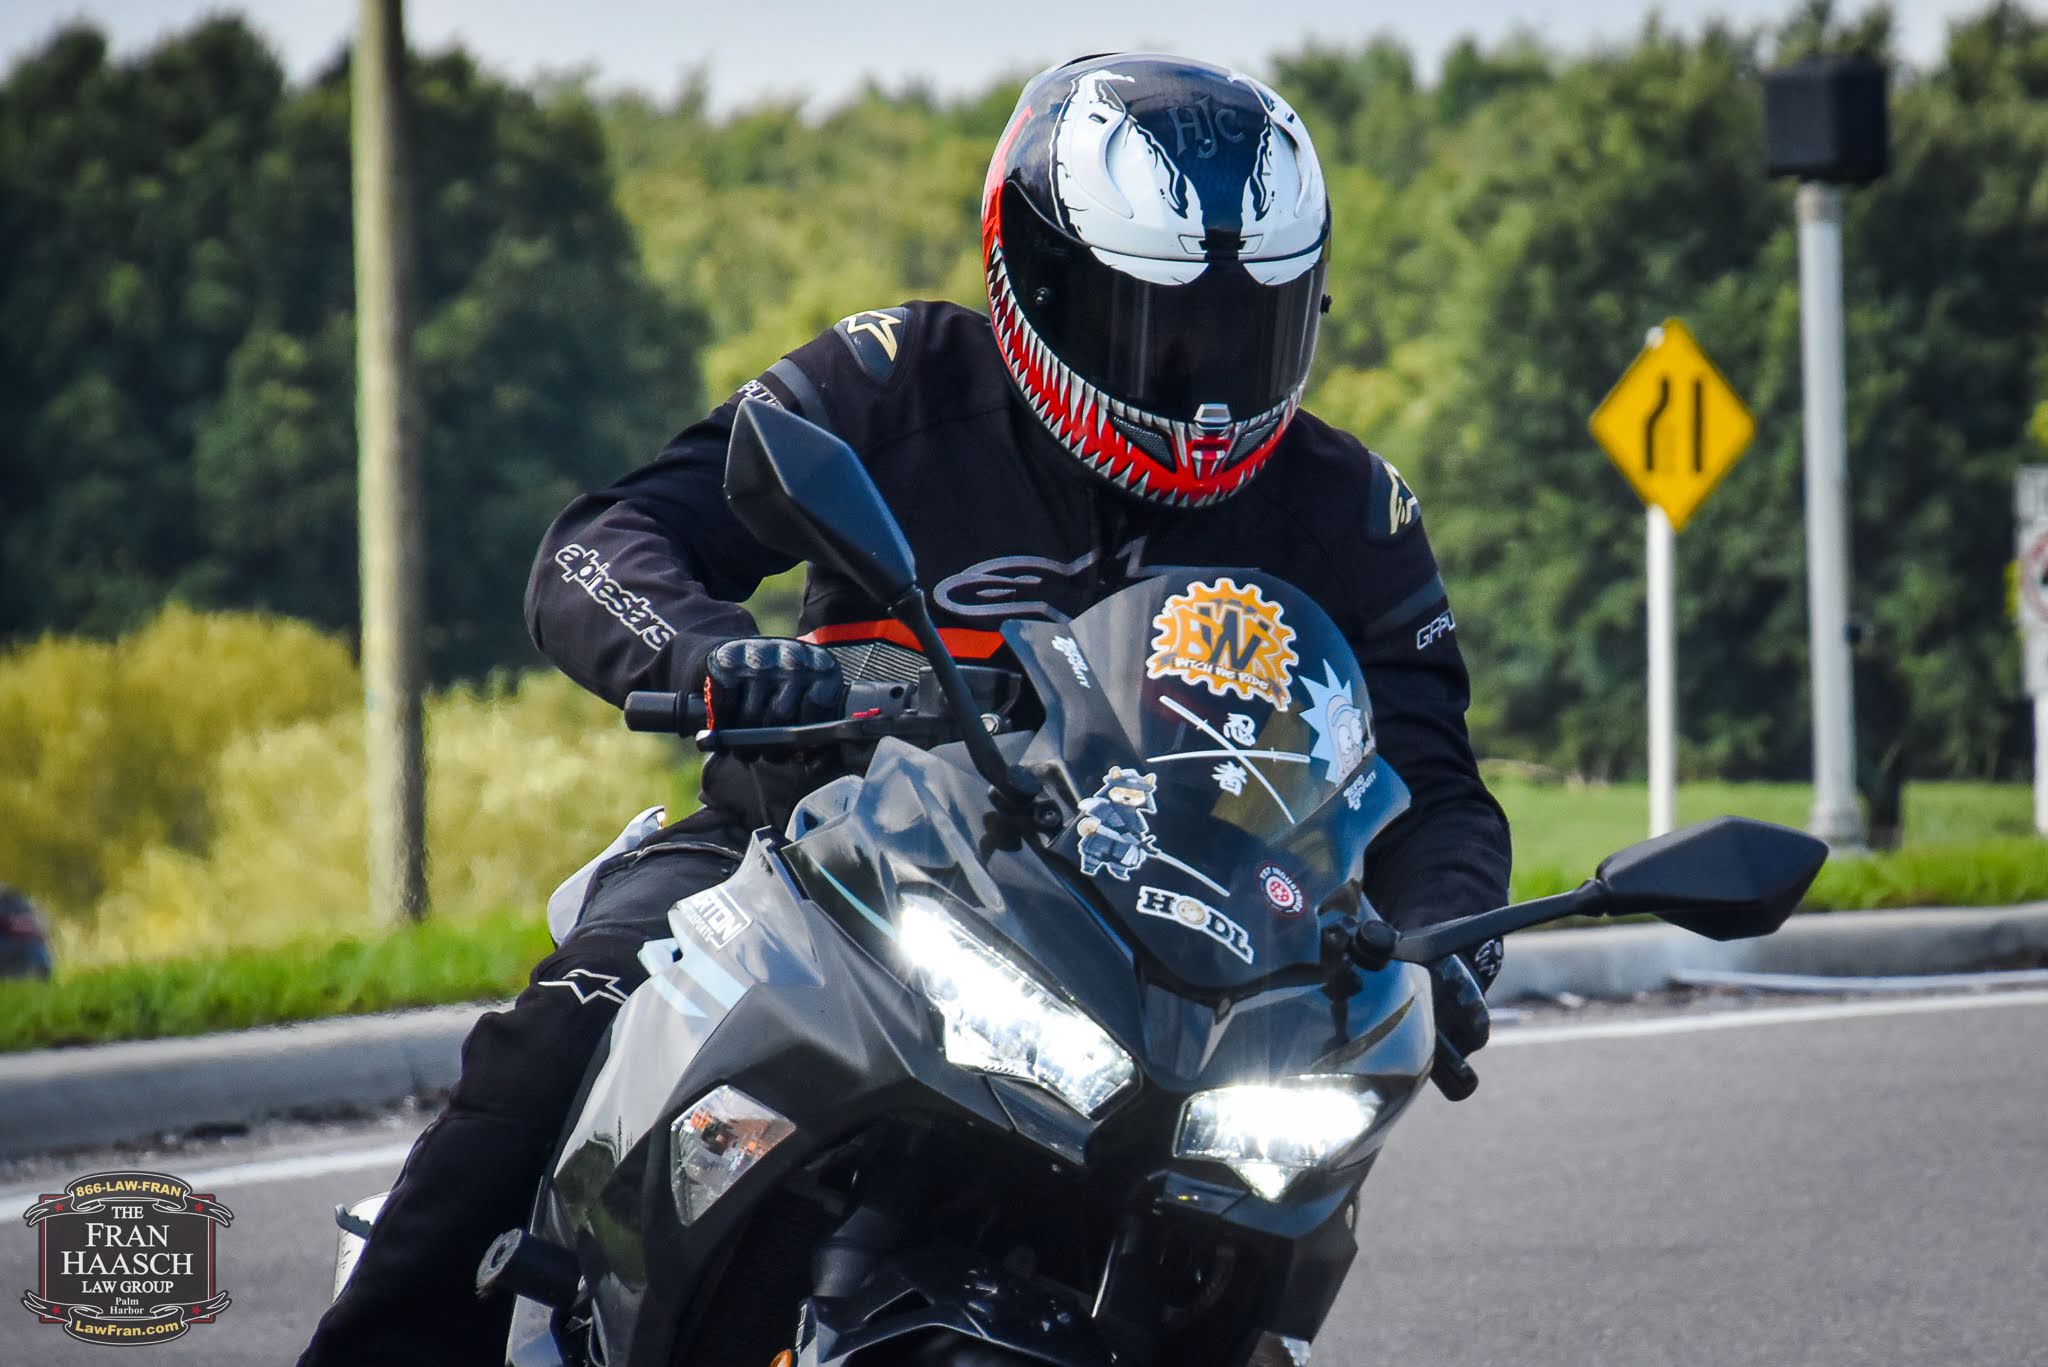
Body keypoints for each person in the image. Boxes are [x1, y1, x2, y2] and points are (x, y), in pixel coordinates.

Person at [301, 52, 1510, 1366]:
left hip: (1173, 956)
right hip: (808, 860)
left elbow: (1434, 791)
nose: (1204, 380)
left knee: (1256, 1246)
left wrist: (1444, 941)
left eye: (1243, 328)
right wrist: (715, 659)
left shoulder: (1349, 508)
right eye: (1158, 323)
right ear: (1036, 274)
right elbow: (606, 543)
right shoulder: (893, 381)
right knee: (570, 1019)